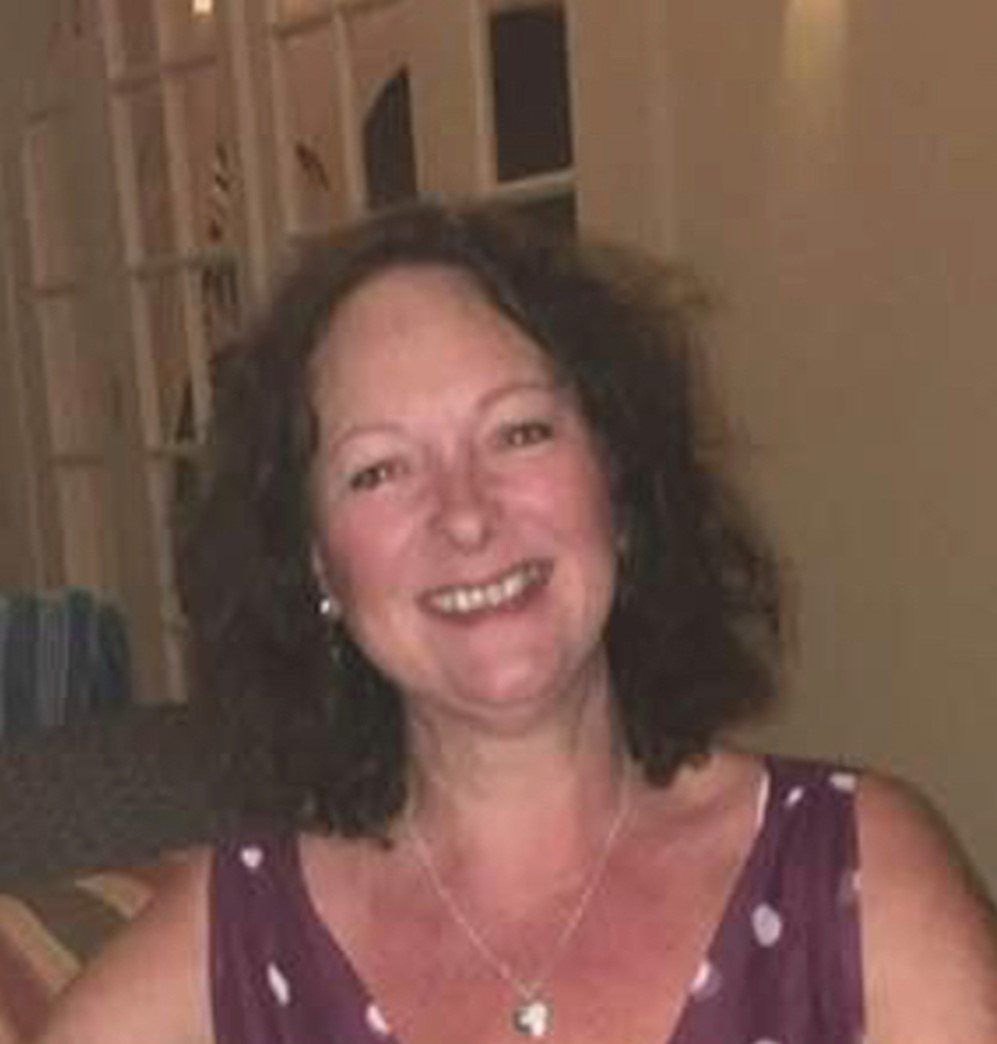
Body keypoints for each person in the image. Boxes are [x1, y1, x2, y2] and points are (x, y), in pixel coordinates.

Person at [40, 203, 996, 1043]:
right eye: (379, 470)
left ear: (617, 486)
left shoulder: (852, 875)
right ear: (316, 563)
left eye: (519, 432)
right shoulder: (239, 938)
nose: (464, 513)